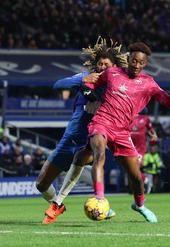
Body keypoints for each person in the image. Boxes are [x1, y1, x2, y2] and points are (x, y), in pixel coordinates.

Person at [61, 42, 170, 223]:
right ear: (128, 59)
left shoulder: (149, 83)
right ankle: (100, 199)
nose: (136, 65)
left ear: (145, 63)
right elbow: (93, 84)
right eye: (133, 61)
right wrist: (86, 90)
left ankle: (139, 205)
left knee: (136, 178)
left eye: (140, 62)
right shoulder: (112, 73)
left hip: (122, 132)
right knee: (99, 154)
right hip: (102, 122)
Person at [36, 37, 128, 224]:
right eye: (99, 63)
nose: (102, 67)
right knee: (41, 184)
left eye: (106, 64)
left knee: (81, 157)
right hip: (70, 138)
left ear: (114, 67)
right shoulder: (83, 78)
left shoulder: (115, 87)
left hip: (93, 138)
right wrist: (83, 81)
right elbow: (58, 85)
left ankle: (58, 204)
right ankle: (58, 204)